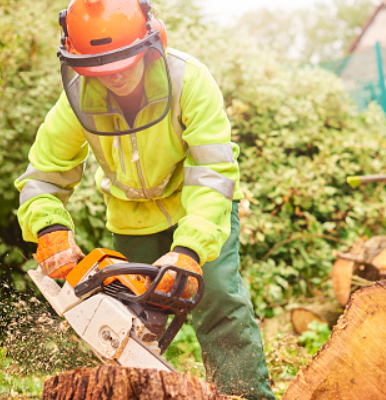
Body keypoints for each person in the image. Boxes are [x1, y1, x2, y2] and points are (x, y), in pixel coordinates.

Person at [14, 0, 275, 398]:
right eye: (100, 68)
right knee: (127, 319)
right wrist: (49, 227)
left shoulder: (190, 80)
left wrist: (189, 250)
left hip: (198, 207)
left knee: (220, 298)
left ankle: (246, 395)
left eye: (123, 63)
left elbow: (213, 173)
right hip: (131, 217)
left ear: (151, 43)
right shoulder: (77, 98)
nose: (114, 76)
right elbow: (43, 175)